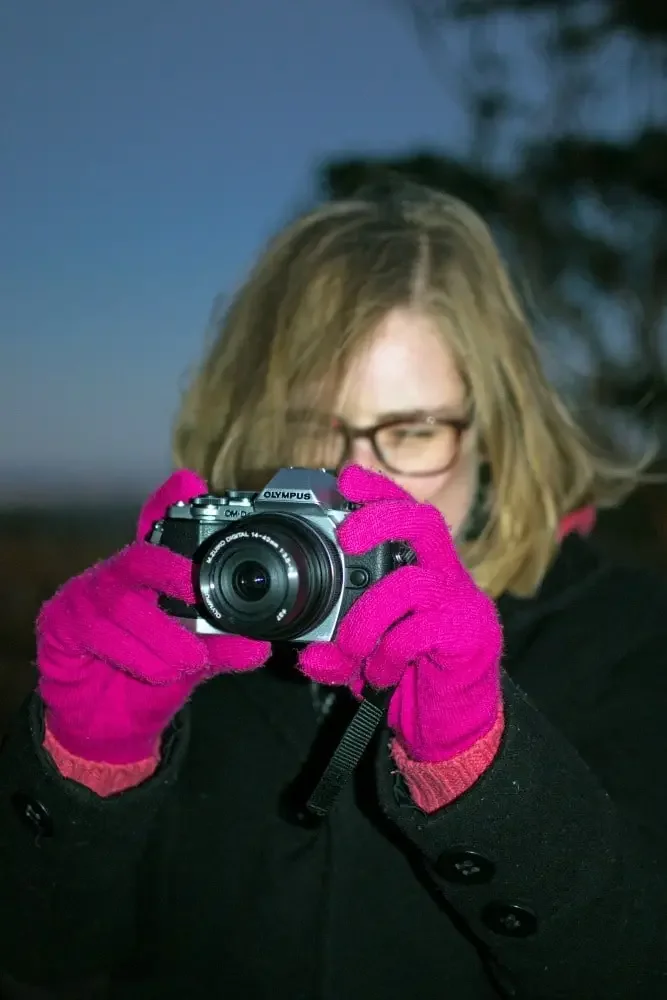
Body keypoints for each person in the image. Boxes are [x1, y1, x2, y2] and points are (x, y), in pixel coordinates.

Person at [1, 181, 666, 1000]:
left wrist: (480, 766)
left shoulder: (628, 634)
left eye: (411, 430)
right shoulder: (180, 625)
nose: (354, 480)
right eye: (309, 426)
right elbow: (42, 964)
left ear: (495, 431)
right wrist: (86, 767)